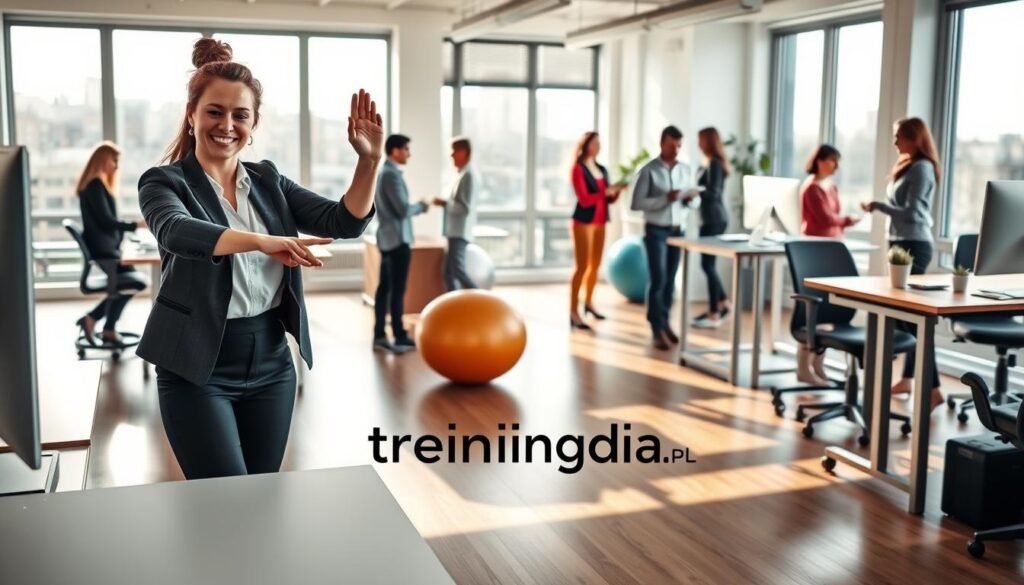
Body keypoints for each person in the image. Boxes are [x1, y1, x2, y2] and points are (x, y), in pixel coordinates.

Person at [136, 39, 379, 480]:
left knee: (262, 494)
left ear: (253, 123)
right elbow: (176, 232)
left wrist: (370, 161)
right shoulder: (163, 181)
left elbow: (343, 221)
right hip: (195, 363)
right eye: (214, 111)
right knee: (224, 497)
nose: (226, 124)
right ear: (191, 116)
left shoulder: (268, 180)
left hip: (270, 359)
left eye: (240, 115)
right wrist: (264, 240)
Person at [861, 117, 943, 409]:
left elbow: (910, 214)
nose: (895, 142)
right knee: (903, 315)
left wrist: (878, 206)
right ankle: (909, 379)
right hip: (899, 244)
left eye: (899, 137)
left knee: (909, 319)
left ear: (914, 138)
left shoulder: (921, 167)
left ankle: (932, 388)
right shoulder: (909, 165)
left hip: (913, 245)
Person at [630, 125, 701, 350]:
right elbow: (637, 203)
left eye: (679, 145)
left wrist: (691, 201)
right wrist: (665, 199)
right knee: (659, 279)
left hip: (677, 231)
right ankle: (656, 328)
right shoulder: (648, 170)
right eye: (672, 145)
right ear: (662, 143)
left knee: (670, 281)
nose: (676, 150)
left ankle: (665, 323)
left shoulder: (685, 169)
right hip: (656, 231)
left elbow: (695, 203)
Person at [75, 141, 148, 346]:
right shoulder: (95, 185)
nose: (116, 166)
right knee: (136, 282)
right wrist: (135, 225)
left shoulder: (95, 185)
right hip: (105, 252)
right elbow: (106, 221)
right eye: (114, 160)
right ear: (103, 160)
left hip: (108, 250)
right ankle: (97, 321)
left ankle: (105, 326)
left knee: (130, 282)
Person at [373, 134, 429, 353]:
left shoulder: (386, 173)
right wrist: (423, 206)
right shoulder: (391, 175)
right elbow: (403, 210)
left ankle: (384, 335)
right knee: (395, 291)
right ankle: (398, 336)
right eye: (406, 149)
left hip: (390, 239)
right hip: (397, 241)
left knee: (386, 289)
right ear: (395, 151)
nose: (409, 153)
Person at [569, 131, 624, 330]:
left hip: (601, 221)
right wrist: (604, 192)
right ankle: (573, 312)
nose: (598, 146)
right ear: (586, 145)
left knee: (595, 266)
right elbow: (584, 199)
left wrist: (615, 193)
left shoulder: (602, 169)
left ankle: (589, 304)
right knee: (581, 267)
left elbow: (606, 198)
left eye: (599, 143)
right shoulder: (578, 169)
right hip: (583, 222)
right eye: (594, 143)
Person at [691, 127, 732, 330]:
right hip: (707, 219)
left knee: (707, 265)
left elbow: (714, 193)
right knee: (707, 265)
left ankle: (716, 311)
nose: (698, 144)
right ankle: (720, 304)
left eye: (701, 140)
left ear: (708, 141)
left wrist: (695, 191)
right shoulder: (706, 163)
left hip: (715, 219)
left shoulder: (714, 164)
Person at [433, 137, 479, 291]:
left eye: (454, 152)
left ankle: (481, 301)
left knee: (457, 272)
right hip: (454, 232)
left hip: (459, 233)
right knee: (448, 274)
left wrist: (445, 203)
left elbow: (465, 208)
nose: (451, 156)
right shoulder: (462, 174)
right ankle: (455, 307)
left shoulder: (468, 176)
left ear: (464, 152)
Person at [801, 144, 858, 239]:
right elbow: (826, 219)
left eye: (837, 161)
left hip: (835, 239)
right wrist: (847, 220)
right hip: (816, 242)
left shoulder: (832, 186)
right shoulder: (812, 188)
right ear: (819, 161)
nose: (837, 166)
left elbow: (835, 217)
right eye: (833, 160)